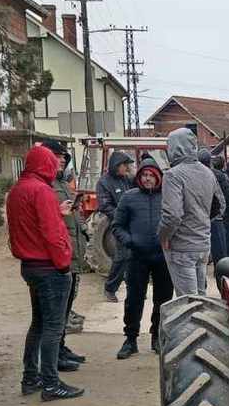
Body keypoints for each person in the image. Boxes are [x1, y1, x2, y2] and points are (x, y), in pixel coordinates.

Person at [6, 144, 84, 401]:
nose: (57, 166)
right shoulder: (42, 191)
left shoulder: (18, 190)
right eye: (54, 162)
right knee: (53, 327)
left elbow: (32, 224)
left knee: (38, 324)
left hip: (30, 265)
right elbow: (52, 234)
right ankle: (51, 384)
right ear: (46, 164)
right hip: (49, 267)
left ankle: (31, 377)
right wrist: (64, 264)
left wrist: (57, 212)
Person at [112, 158, 175, 359]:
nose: (147, 179)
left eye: (151, 176)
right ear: (139, 177)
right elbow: (117, 226)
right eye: (144, 175)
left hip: (162, 257)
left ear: (158, 178)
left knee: (163, 299)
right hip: (136, 257)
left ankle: (156, 337)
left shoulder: (168, 197)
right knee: (134, 299)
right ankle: (130, 339)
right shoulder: (129, 198)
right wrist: (129, 241)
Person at [159, 127, 224, 297]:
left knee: (187, 302)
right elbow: (220, 205)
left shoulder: (173, 175)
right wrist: (201, 221)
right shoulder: (208, 172)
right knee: (200, 297)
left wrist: (164, 237)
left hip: (182, 247)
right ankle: (202, 323)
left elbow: (172, 215)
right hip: (203, 245)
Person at [41, 140, 87, 368]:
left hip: (72, 253)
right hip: (60, 257)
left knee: (66, 307)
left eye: (63, 156)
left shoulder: (61, 184)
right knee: (56, 312)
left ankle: (61, 347)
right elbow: (47, 222)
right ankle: (54, 356)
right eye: (56, 155)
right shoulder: (46, 186)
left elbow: (71, 219)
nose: (61, 159)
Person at [96, 150, 134, 302]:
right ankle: (110, 288)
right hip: (119, 225)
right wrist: (121, 215)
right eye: (125, 165)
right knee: (122, 257)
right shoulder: (104, 183)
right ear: (116, 165)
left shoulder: (126, 179)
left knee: (135, 258)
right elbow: (105, 206)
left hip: (133, 223)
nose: (126, 168)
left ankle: (135, 289)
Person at [197, 148, 228, 267]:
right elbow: (222, 198)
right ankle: (220, 276)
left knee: (200, 257)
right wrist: (220, 214)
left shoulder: (191, 175)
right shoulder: (216, 175)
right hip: (215, 218)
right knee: (219, 253)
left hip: (199, 219)